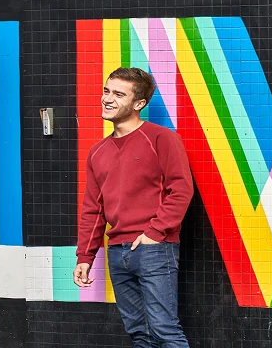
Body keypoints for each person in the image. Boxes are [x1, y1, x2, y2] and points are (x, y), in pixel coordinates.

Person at [73, 67, 193, 348]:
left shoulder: (161, 139)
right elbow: (94, 209)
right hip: (117, 252)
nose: (107, 99)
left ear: (139, 104)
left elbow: (181, 190)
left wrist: (154, 233)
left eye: (118, 94)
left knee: (165, 332)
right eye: (106, 90)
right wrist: (84, 257)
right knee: (139, 334)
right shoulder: (98, 152)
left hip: (154, 249)